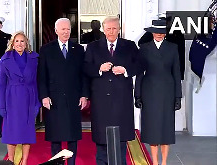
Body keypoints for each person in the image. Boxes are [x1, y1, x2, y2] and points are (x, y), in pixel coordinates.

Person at [84, 16, 142, 165]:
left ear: (119, 29)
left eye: (114, 28)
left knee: (120, 140)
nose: (111, 31)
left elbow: (140, 65)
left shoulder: (129, 46)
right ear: (103, 29)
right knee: (102, 139)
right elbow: (85, 68)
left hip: (121, 99)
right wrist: (99, 69)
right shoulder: (93, 47)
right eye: (108, 28)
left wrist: (126, 70)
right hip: (101, 99)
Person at [37, 18, 89, 165]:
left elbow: (83, 74)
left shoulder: (78, 49)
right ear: (56, 31)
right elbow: (42, 75)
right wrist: (44, 96)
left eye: (68, 29)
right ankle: (57, 163)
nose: (66, 32)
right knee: (55, 135)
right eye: (63, 29)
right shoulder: (46, 49)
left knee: (73, 136)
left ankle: (71, 163)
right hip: (54, 99)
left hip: (73, 98)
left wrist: (84, 95)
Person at [134, 19, 182, 165]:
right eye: (156, 32)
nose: (159, 35)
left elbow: (176, 73)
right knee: (152, 129)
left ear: (165, 33)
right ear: (152, 32)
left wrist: (177, 96)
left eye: (162, 32)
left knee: (166, 129)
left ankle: (164, 162)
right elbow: (139, 73)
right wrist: (138, 95)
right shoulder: (144, 48)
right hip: (149, 93)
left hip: (168, 92)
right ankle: (155, 162)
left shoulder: (173, 48)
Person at [0, 31, 41, 165]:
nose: (19, 44)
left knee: (27, 131)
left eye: (22, 41)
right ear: (12, 43)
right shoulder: (5, 59)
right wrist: (1, 105)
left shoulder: (34, 59)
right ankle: (11, 161)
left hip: (29, 98)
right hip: (12, 99)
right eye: (17, 41)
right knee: (11, 132)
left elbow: (37, 82)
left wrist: (36, 103)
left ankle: (25, 160)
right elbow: (1, 85)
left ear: (26, 43)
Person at [138, 15, 185, 80]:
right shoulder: (154, 31)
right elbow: (141, 43)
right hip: (154, 70)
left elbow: (181, 53)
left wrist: (181, 74)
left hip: (171, 68)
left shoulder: (177, 33)